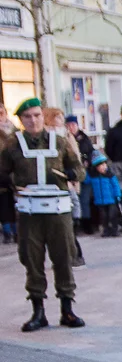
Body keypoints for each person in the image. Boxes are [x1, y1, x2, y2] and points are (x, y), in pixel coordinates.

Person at [0, 98, 87, 331]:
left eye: (37, 115)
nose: (33, 120)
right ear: (21, 120)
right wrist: (12, 183)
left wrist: (71, 173)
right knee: (32, 259)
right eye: (27, 116)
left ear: (42, 116)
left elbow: (80, 170)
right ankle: (38, 312)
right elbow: (2, 173)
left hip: (58, 210)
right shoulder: (12, 145)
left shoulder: (59, 141)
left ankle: (67, 310)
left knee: (63, 257)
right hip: (29, 212)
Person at [44, 108, 85, 268]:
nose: (61, 120)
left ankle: (74, 255)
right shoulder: (46, 136)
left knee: (71, 214)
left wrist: (75, 175)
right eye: (58, 117)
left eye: (61, 117)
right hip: (54, 183)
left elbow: (76, 158)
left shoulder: (66, 135)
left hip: (68, 179)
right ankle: (66, 257)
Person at [66, 115, 96, 235]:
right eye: (68, 125)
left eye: (73, 125)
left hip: (85, 173)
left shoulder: (84, 138)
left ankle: (87, 223)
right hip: (72, 174)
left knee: (84, 199)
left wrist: (88, 160)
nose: (71, 127)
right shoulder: (65, 139)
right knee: (74, 200)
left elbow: (91, 152)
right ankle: (75, 224)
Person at [88, 154, 122, 237]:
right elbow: (86, 180)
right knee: (103, 217)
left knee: (112, 215)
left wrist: (117, 195)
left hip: (111, 199)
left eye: (105, 164)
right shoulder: (93, 176)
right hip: (100, 200)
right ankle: (106, 230)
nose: (104, 167)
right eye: (101, 165)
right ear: (96, 167)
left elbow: (116, 186)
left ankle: (115, 229)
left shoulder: (110, 175)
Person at [0, 104, 15, 243]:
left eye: (1, 112)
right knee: (3, 202)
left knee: (14, 201)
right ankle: (7, 231)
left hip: (13, 169)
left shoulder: (13, 129)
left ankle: (16, 231)